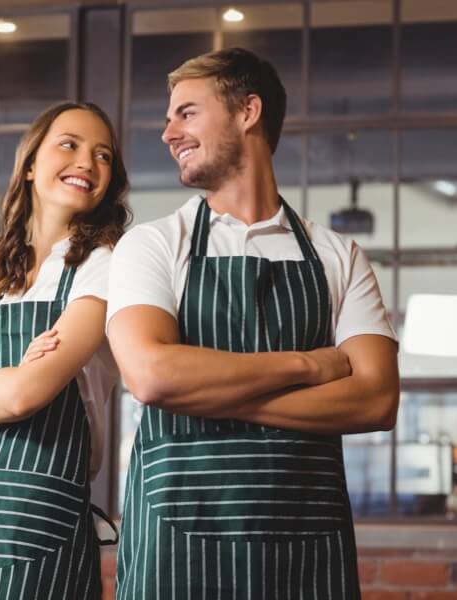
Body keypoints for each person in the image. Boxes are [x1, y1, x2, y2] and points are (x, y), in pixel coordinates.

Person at [107, 48, 399, 599]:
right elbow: (151, 376)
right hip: (178, 549)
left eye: (186, 113)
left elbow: (376, 401)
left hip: (307, 551)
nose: (168, 133)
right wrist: (310, 365)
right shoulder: (152, 245)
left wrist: (208, 393)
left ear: (248, 112)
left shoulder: (337, 254)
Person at [0, 101, 130, 599]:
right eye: (70, 145)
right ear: (31, 164)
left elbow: (24, 397)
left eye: (103, 155)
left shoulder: (102, 266)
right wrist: (2, 388)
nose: (87, 162)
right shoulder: (0, 283)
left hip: (41, 520)